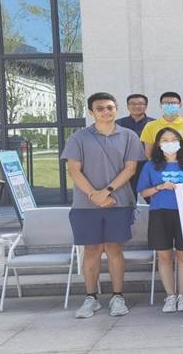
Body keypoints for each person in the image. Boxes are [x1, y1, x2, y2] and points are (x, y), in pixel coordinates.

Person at [61, 92, 145, 319]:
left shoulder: (129, 136)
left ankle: (118, 297)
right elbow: (73, 170)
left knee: (114, 248)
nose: (105, 112)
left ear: (116, 109)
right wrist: (93, 195)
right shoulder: (79, 137)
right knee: (92, 249)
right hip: (85, 205)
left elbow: (130, 169)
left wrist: (106, 192)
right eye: (100, 108)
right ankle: (91, 297)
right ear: (92, 112)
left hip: (119, 202)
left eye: (109, 107)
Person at [137, 127, 183, 313]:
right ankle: (170, 296)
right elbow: (143, 192)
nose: (170, 143)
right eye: (165, 140)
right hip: (160, 212)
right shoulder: (150, 166)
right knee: (164, 256)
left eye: (173, 139)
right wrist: (160, 187)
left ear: (180, 142)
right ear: (158, 144)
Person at [116, 94, 154, 201]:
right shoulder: (118, 124)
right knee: (128, 199)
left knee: (152, 197)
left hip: (148, 165)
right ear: (127, 106)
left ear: (146, 106)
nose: (137, 106)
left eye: (140, 104)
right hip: (125, 166)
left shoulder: (154, 124)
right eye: (132, 104)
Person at [140, 92, 183, 158]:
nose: (170, 105)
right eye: (166, 103)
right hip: (160, 163)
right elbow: (148, 153)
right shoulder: (150, 126)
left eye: (173, 103)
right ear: (160, 105)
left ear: (180, 104)